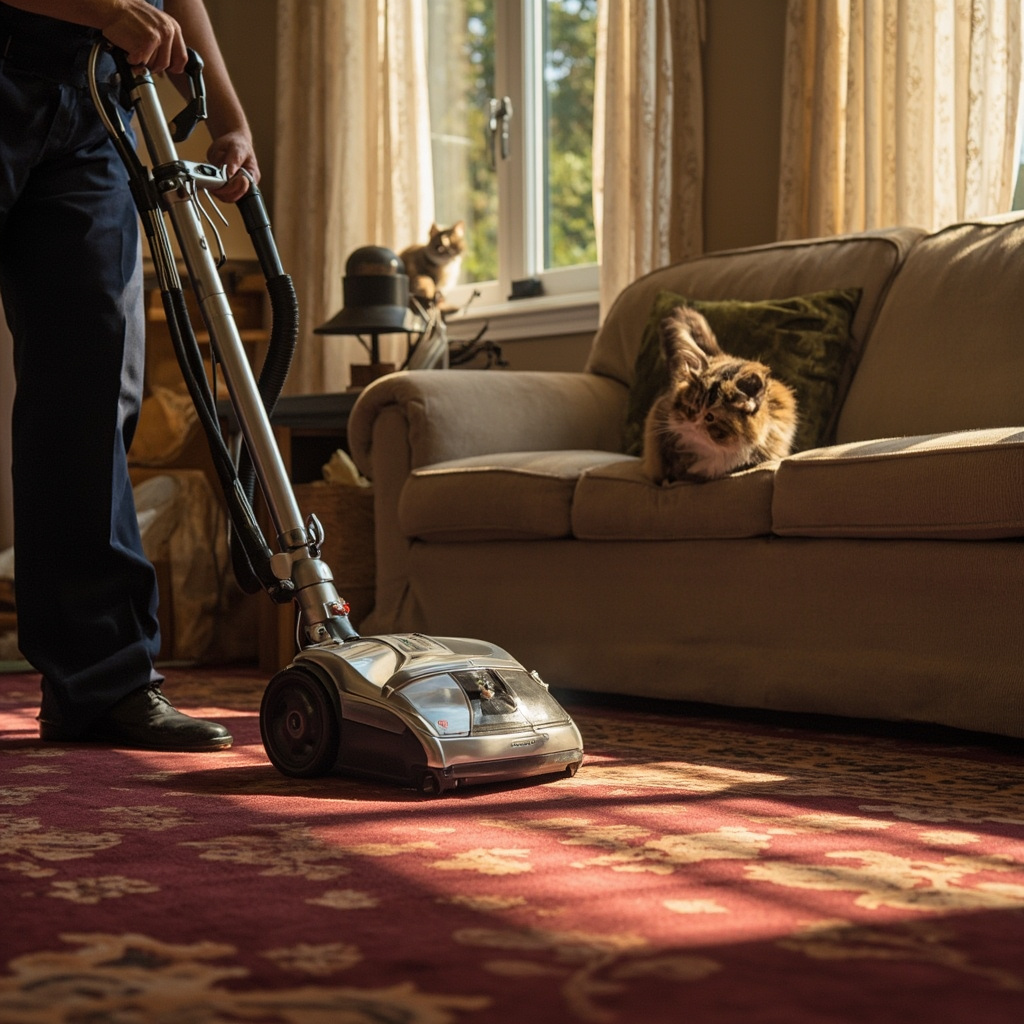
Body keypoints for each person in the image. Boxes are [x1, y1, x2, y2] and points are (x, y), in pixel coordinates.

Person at [0, 0, 260, 750]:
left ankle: (101, 683)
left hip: (95, 103)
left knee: (90, 391)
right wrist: (107, 9)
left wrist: (229, 119)